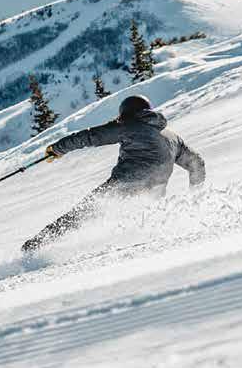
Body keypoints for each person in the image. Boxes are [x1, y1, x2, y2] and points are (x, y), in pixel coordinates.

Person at [21, 94, 205, 252]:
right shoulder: (172, 137)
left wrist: (57, 149)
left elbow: (90, 136)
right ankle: (139, 237)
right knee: (132, 213)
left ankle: (38, 244)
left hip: (126, 182)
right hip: (155, 190)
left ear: (127, 113)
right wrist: (194, 195)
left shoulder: (130, 126)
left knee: (84, 212)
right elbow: (197, 164)